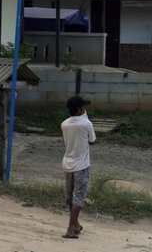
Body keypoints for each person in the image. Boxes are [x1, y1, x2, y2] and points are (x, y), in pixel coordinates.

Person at [61, 95, 96, 239]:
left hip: (67, 164)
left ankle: (75, 224)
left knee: (71, 196)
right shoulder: (86, 124)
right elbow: (92, 141)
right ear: (80, 109)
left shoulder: (64, 124)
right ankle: (70, 228)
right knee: (79, 197)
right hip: (81, 165)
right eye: (83, 107)